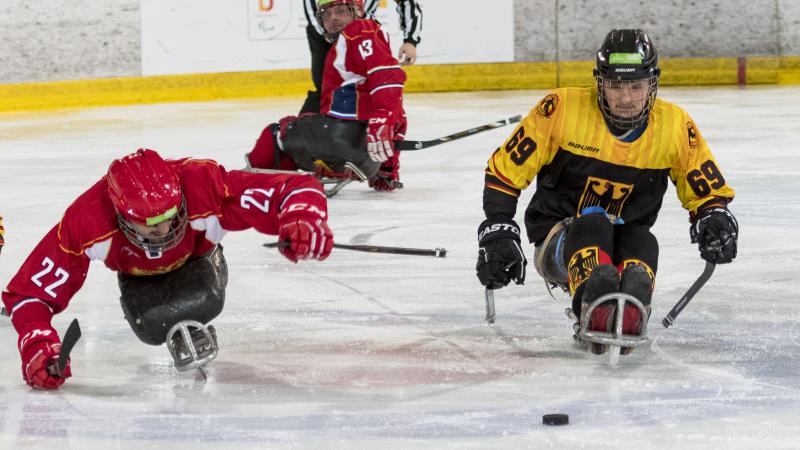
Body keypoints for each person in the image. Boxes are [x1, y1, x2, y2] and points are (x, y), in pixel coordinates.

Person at [475, 29, 738, 355]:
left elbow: (706, 191)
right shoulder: (561, 109)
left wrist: (715, 218)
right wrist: (498, 228)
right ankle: (594, 305)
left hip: (625, 238)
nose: (626, 99)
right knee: (594, 224)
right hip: (558, 241)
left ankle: (628, 312)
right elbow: (506, 170)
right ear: (600, 83)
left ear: (652, 84)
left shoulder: (674, 126)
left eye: (636, 86)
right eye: (615, 85)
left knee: (643, 241)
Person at [2, 149, 333, 389]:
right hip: (138, 281)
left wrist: (303, 219)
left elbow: (295, 188)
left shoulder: (203, 183)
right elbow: (28, 294)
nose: (164, 230)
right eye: (149, 224)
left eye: (170, 216)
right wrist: (37, 344)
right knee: (152, 322)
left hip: (199, 260)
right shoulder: (87, 219)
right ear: (119, 215)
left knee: (203, 297)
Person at [248, 0, 408, 192]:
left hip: (341, 138)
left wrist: (381, 118)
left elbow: (386, 75)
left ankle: (248, 182)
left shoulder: (361, 28)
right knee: (310, 122)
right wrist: (386, 170)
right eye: (327, 14)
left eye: (341, 11)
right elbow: (398, 112)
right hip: (368, 159)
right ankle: (332, 168)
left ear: (357, 11)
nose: (333, 18)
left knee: (275, 134)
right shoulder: (358, 40)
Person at [300, 0, 422, 115]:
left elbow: (407, 2)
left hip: (365, 31)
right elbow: (312, 10)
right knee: (324, 87)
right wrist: (330, 33)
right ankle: (311, 127)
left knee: (378, 80)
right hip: (327, 33)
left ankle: (383, 121)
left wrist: (411, 40)